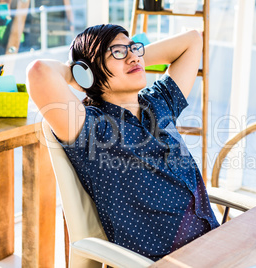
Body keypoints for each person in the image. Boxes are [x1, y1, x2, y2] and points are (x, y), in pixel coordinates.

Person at [26, 24, 219, 261]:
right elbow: (38, 72)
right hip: (170, 260)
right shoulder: (91, 127)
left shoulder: (159, 102)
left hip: (216, 241)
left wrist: (132, 56)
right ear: (88, 70)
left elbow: (192, 39)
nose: (133, 57)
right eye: (116, 52)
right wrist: (78, 73)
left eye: (134, 49)